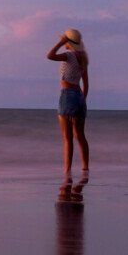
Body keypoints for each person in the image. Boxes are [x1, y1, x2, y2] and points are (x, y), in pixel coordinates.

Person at [45, 28, 89, 173]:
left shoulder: (69, 55)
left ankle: (67, 170)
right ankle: (85, 167)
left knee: (67, 137)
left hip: (68, 95)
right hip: (79, 97)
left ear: (68, 41)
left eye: (65, 40)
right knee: (80, 135)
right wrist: (81, 100)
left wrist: (60, 42)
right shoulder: (83, 57)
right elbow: (86, 84)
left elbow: (49, 56)